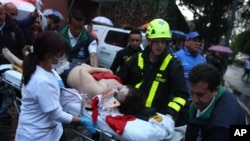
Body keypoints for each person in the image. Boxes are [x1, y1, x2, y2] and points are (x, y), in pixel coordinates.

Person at [15, 31, 96, 141]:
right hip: (37, 135)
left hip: (53, 131)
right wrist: (81, 120)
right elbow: (57, 114)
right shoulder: (41, 81)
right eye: (61, 55)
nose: (64, 58)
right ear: (49, 57)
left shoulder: (45, 69)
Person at [116, 18, 189, 126]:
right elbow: (120, 79)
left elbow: (181, 95)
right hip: (131, 112)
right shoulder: (137, 58)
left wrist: (170, 114)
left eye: (164, 41)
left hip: (155, 118)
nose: (160, 45)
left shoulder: (172, 64)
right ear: (149, 39)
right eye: (157, 41)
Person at [185, 63, 247, 141]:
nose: (194, 99)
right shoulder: (225, 95)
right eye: (191, 92)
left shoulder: (219, 128)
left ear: (215, 90)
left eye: (200, 95)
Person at [174, 31, 206, 126]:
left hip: (197, 103)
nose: (197, 43)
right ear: (186, 42)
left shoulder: (202, 60)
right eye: (194, 40)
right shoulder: (177, 56)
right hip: (180, 102)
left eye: (199, 41)